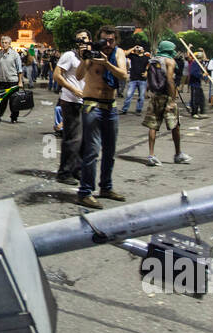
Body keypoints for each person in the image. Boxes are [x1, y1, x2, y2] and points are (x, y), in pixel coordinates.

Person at [76, 25, 128, 208]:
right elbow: (79, 75)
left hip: (111, 107)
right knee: (92, 151)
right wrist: (85, 58)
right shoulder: (92, 53)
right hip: (93, 105)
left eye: (111, 40)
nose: (108, 44)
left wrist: (106, 63)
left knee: (110, 151)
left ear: (116, 40)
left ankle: (106, 187)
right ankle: (85, 192)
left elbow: (123, 75)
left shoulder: (119, 53)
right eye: (104, 40)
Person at [142, 41, 191, 165]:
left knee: (153, 126)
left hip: (155, 96)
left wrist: (147, 91)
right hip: (166, 96)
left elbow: (149, 77)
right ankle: (178, 154)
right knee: (175, 125)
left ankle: (151, 155)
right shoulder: (170, 61)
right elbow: (169, 80)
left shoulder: (153, 60)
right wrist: (172, 100)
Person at [53, 30, 88, 181]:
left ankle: (77, 170)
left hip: (87, 101)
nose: (82, 42)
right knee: (72, 138)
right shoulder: (69, 55)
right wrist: (74, 90)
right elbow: (57, 75)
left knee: (84, 139)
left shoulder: (90, 57)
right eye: (79, 39)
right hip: (70, 100)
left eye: (85, 38)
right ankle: (64, 172)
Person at [0, 34, 25, 123]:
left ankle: (14, 118)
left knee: (13, 102)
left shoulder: (15, 55)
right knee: (1, 101)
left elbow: (19, 69)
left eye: (6, 43)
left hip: (13, 81)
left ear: (9, 44)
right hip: (3, 81)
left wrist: (20, 82)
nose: (4, 44)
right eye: (3, 42)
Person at [120, 44, 147, 114]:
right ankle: (124, 109)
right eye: (138, 48)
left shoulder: (146, 58)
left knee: (141, 96)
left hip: (142, 80)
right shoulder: (133, 56)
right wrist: (133, 48)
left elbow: (150, 65)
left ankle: (138, 110)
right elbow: (125, 54)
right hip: (133, 79)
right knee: (129, 95)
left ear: (143, 50)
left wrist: (147, 72)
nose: (139, 49)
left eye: (141, 48)